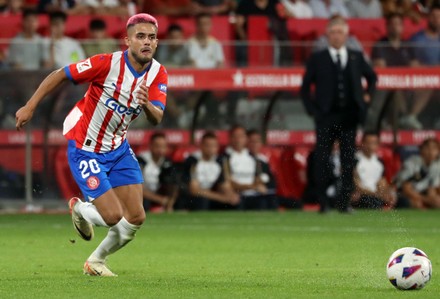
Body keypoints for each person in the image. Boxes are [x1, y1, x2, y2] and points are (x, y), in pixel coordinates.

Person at [15, 13, 168, 276]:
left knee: (136, 218)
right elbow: (60, 74)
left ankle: (96, 262)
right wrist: (30, 106)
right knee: (112, 217)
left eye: (151, 37)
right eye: (140, 36)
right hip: (86, 148)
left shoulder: (158, 72)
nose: (146, 42)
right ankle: (80, 208)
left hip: (118, 149)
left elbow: (157, 118)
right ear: (127, 40)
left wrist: (145, 104)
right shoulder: (106, 64)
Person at [300, 16, 377, 213]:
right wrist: (313, 110)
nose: (336, 36)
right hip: (325, 117)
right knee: (322, 158)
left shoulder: (356, 56)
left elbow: (372, 77)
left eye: (340, 32)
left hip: (349, 116)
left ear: (346, 34)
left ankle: (344, 203)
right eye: (332, 32)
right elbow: (305, 87)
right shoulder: (318, 58)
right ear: (327, 35)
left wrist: (367, 98)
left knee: (347, 160)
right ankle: (323, 202)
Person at [366, 12, 417, 132]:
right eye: (392, 24)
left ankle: (409, 117)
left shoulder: (407, 45)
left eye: (398, 24)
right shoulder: (380, 45)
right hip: (386, 84)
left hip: (407, 83)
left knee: (426, 87)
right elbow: (381, 67)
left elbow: (415, 66)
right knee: (395, 91)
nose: (395, 27)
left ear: (403, 27)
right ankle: (379, 123)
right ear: (387, 26)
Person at [401, 4, 440, 129]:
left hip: (437, 80)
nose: (436, 20)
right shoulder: (417, 39)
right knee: (428, 82)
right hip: (420, 80)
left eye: (439, 17)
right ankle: (410, 117)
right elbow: (412, 64)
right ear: (428, 17)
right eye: (433, 16)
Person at [181, 131, 239, 210]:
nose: (211, 149)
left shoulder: (219, 162)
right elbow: (194, 190)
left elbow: (224, 185)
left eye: (213, 146)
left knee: (234, 201)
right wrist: (221, 198)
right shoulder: (192, 161)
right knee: (202, 200)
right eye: (207, 146)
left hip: (209, 195)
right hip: (191, 198)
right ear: (201, 146)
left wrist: (231, 195)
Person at [222, 125, 271, 210]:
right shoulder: (225, 158)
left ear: (246, 138)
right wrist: (251, 186)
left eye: (241, 136)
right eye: (235, 136)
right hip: (237, 195)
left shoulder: (254, 158)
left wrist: (260, 185)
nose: (238, 140)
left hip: (254, 195)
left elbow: (258, 178)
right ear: (230, 138)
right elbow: (229, 183)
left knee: (268, 200)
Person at [351, 132, 397, 209]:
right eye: (368, 143)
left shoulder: (380, 161)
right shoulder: (355, 160)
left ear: (378, 145)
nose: (370, 146)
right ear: (362, 143)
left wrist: (386, 193)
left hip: (377, 195)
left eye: (374, 143)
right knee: (371, 200)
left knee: (401, 200)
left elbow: (382, 182)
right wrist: (376, 194)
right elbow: (357, 185)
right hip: (362, 195)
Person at [137, 132, 178, 212]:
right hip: (143, 196)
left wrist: (170, 202)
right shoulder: (141, 161)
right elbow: (137, 188)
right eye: (157, 146)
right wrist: (160, 200)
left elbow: (174, 184)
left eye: (163, 146)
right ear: (150, 146)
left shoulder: (167, 162)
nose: (160, 150)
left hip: (159, 193)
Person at [394, 138, 440, 209]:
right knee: (417, 204)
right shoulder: (412, 163)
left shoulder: (437, 166)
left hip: (420, 193)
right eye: (427, 148)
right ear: (421, 150)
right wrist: (427, 200)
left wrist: (433, 199)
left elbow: (432, 189)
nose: (431, 151)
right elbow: (406, 189)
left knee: (437, 201)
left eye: (434, 148)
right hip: (399, 193)